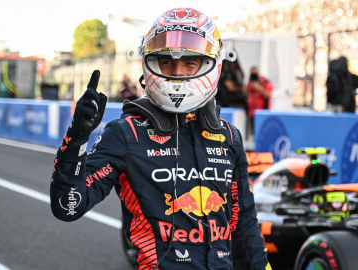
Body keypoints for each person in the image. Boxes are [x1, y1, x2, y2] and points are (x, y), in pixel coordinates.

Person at [50, 7, 271, 270]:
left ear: (213, 65)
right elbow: (68, 206)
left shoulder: (228, 136)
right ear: (149, 63)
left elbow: (244, 228)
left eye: (190, 62)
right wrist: (77, 138)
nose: (177, 72)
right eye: (167, 61)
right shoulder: (126, 133)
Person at [246, 67, 273, 132]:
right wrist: (250, 80)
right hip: (252, 113)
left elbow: (267, 95)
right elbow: (246, 91)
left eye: (255, 73)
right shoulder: (251, 83)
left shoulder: (265, 82)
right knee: (253, 131)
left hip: (262, 112)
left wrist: (258, 87)